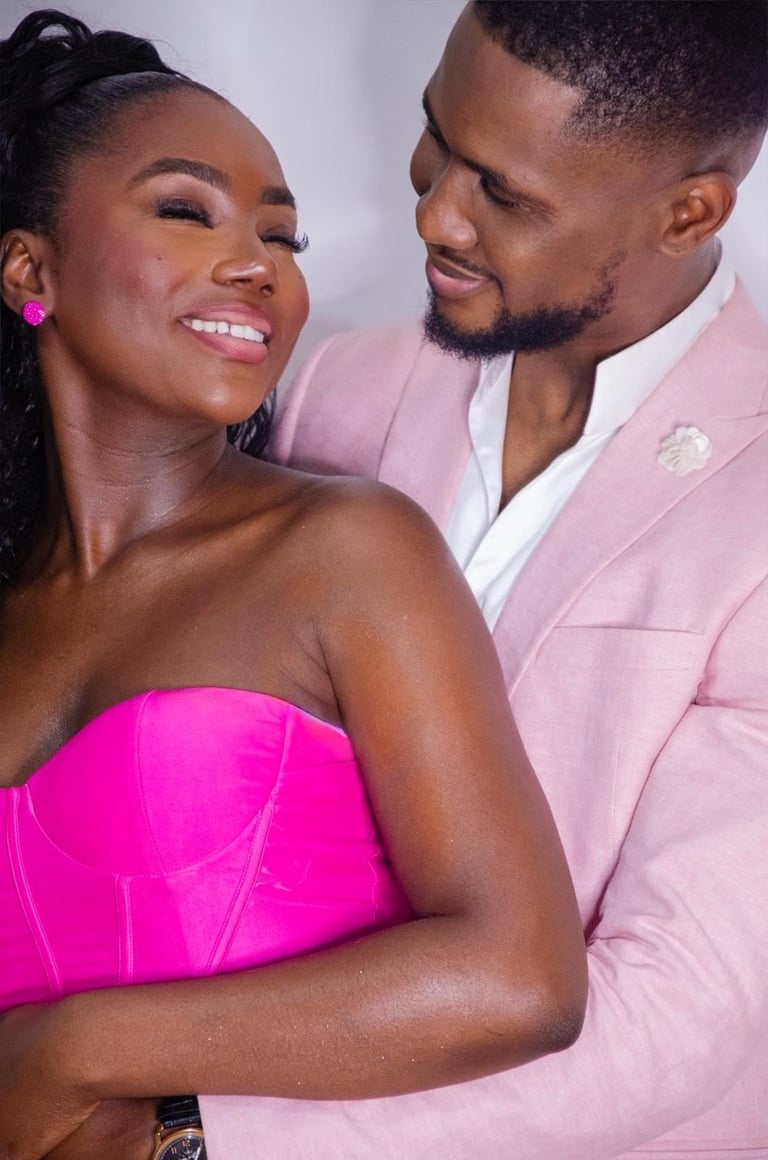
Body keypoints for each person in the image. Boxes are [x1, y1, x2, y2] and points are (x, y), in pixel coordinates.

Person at [0, 10, 589, 1160]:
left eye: (283, 236)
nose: (257, 265)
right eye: (187, 210)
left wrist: (68, 1051)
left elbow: (519, 975)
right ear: (31, 268)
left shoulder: (346, 551)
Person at [198, 2, 768, 1158]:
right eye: (435, 135)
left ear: (690, 212)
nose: (434, 210)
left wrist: (198, 1135)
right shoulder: (338, 388)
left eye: (502, 192)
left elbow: (674, 1011)